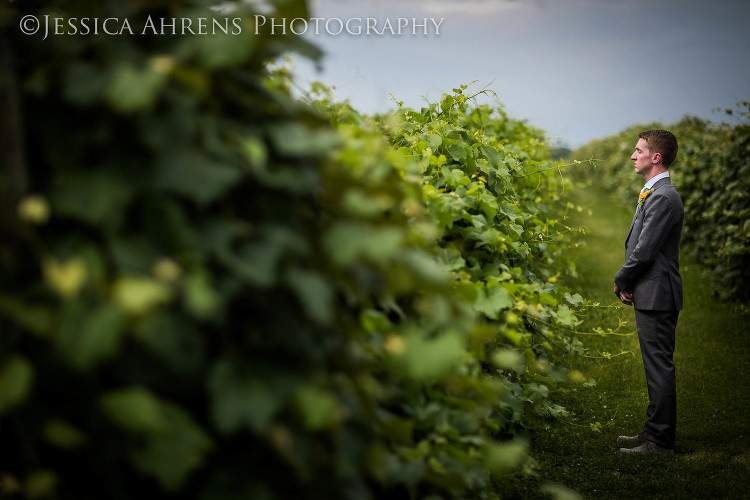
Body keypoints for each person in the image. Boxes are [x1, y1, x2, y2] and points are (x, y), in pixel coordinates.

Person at [613, 129, 684, 454]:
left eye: (639, 150)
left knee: (658, 366)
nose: (633, 155)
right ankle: (653, 430)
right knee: (654, 364)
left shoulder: (664, 197)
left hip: (658, 293)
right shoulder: (655, 193)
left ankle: (659, 441)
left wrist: (622, 278)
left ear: (655, 157)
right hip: (651, 290)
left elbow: (645, 251)